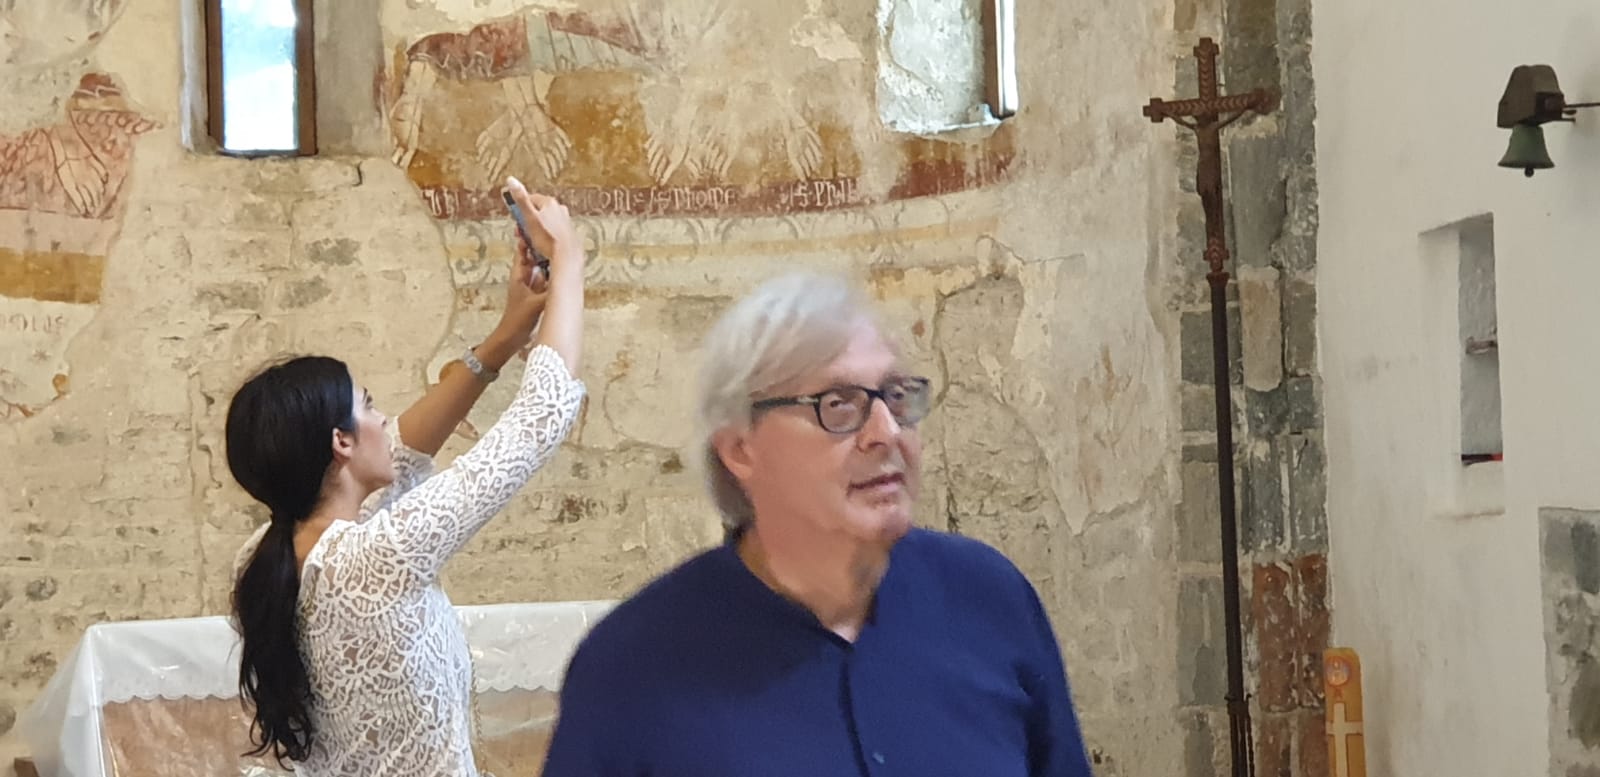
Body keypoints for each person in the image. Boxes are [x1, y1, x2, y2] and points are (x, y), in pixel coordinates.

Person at [541, 271, 1093, 777]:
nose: (886, 432)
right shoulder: (631, 666)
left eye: (896, 397)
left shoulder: (988, 597)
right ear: (740, 450)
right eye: (839, 404)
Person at [226, 179, 586, 775]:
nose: (384, 420)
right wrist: (569, 258)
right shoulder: (377, 557)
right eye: (367, 406)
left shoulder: (267, 554)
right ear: (340, 443)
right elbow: (541, 416)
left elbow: (406, 450)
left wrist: (506, 336)